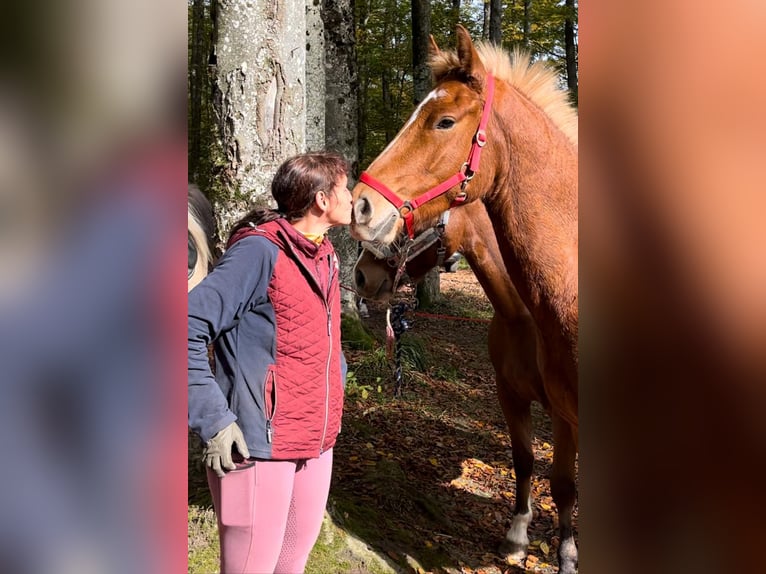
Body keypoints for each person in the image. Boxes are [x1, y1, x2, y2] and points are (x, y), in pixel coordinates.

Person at [188, 151, 352, 573]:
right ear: (321, 199)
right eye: (344, 188)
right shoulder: (258, 253)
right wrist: (214, 420)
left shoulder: (325, 255)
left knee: (291, 565)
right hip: (256, 448)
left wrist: (337, 380)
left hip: (315, 444)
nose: (352, 196)